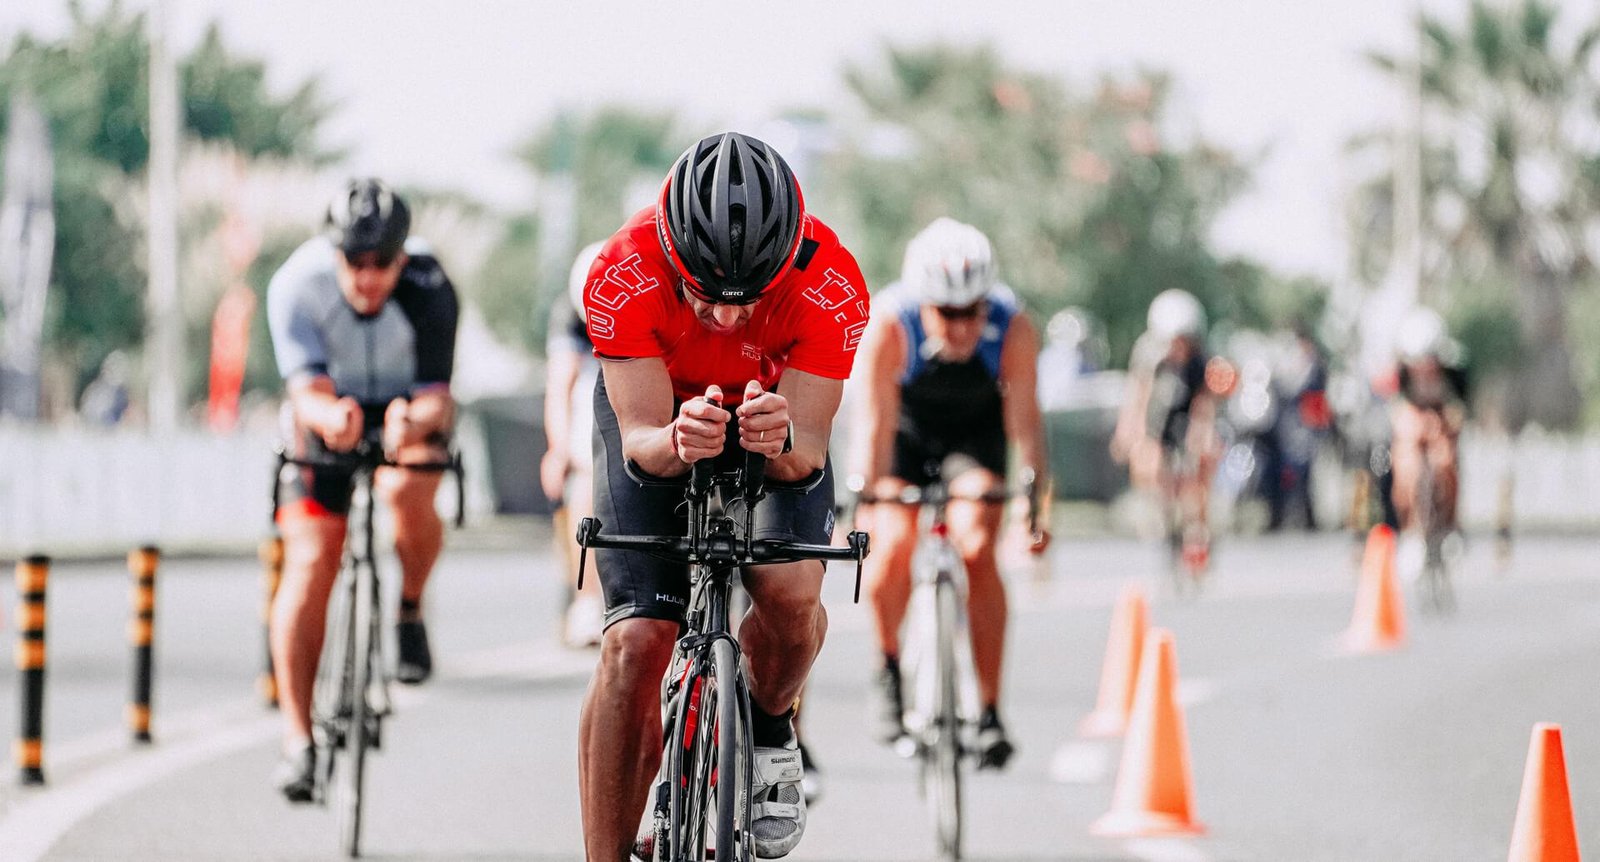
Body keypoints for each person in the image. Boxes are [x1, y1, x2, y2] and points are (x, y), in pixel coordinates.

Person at [576, 132, 868, 861]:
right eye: (706, 297)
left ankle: (770, 727)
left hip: (774, 417)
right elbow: (640, 438)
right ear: (671, 257)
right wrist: (675, 439)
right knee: (637, 642)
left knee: (791, 594)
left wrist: (781, 436)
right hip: (665, 418)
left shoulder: (831, 281)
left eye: (752, 300)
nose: (731, 319)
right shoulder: (623, 271)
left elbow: (807, 452)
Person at [265, 178, 459, 802]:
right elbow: (305, 393)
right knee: (312, 558)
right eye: (354, 261)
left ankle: (409, 608)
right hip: (329, 411)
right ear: (334, 253)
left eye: (382, 262)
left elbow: (438, 400)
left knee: (410, 487)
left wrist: (411, 422)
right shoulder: (297, 286)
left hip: (406, 412)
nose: (368, 277)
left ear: (403, 257)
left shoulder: (430, 285)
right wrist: (334, 420)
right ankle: (298, 742)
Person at [849, 217, 1051, 769]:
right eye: (947, 313)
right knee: (892, 541)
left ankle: (989, 710)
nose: (963, 327)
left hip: (973, 441)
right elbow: (874, 425)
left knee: (978, 544)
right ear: (923, 304)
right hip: (907, 439)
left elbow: (1026, 425)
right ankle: (887, 667)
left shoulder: (1014, 327)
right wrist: (864, 506)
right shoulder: (890, 324)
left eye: (973, 312)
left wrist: (1033, 512)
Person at [1110, 289, 1220, 566]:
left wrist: (1202, 434)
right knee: (1151, 461)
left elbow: (1205, 403)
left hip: (1188, 415)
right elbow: (1138, 397)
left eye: (1184, 341)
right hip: (1159, 419)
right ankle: (1161, 513)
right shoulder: (1149, 357)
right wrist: (1130, 434)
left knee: (1202, 462)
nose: (1178, 348)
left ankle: (1198, 529)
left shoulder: (1201, 361)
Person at [542, 241, 606, 648]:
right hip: (594, 382)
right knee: (586, 474)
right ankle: (586, 599)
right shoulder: (569, 313)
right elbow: (560, 384)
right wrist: (560, 450)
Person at [1387, 306, 1467, 555]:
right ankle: (1410, 527)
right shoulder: (1401, 372)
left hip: (1440, 418)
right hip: (1412, 417)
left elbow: (1459, 406)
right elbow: (1396, 405)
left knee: (1445, 462)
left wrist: (1450, 421)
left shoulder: (1453, 371)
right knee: (1407, 467)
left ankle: (1450, 525)